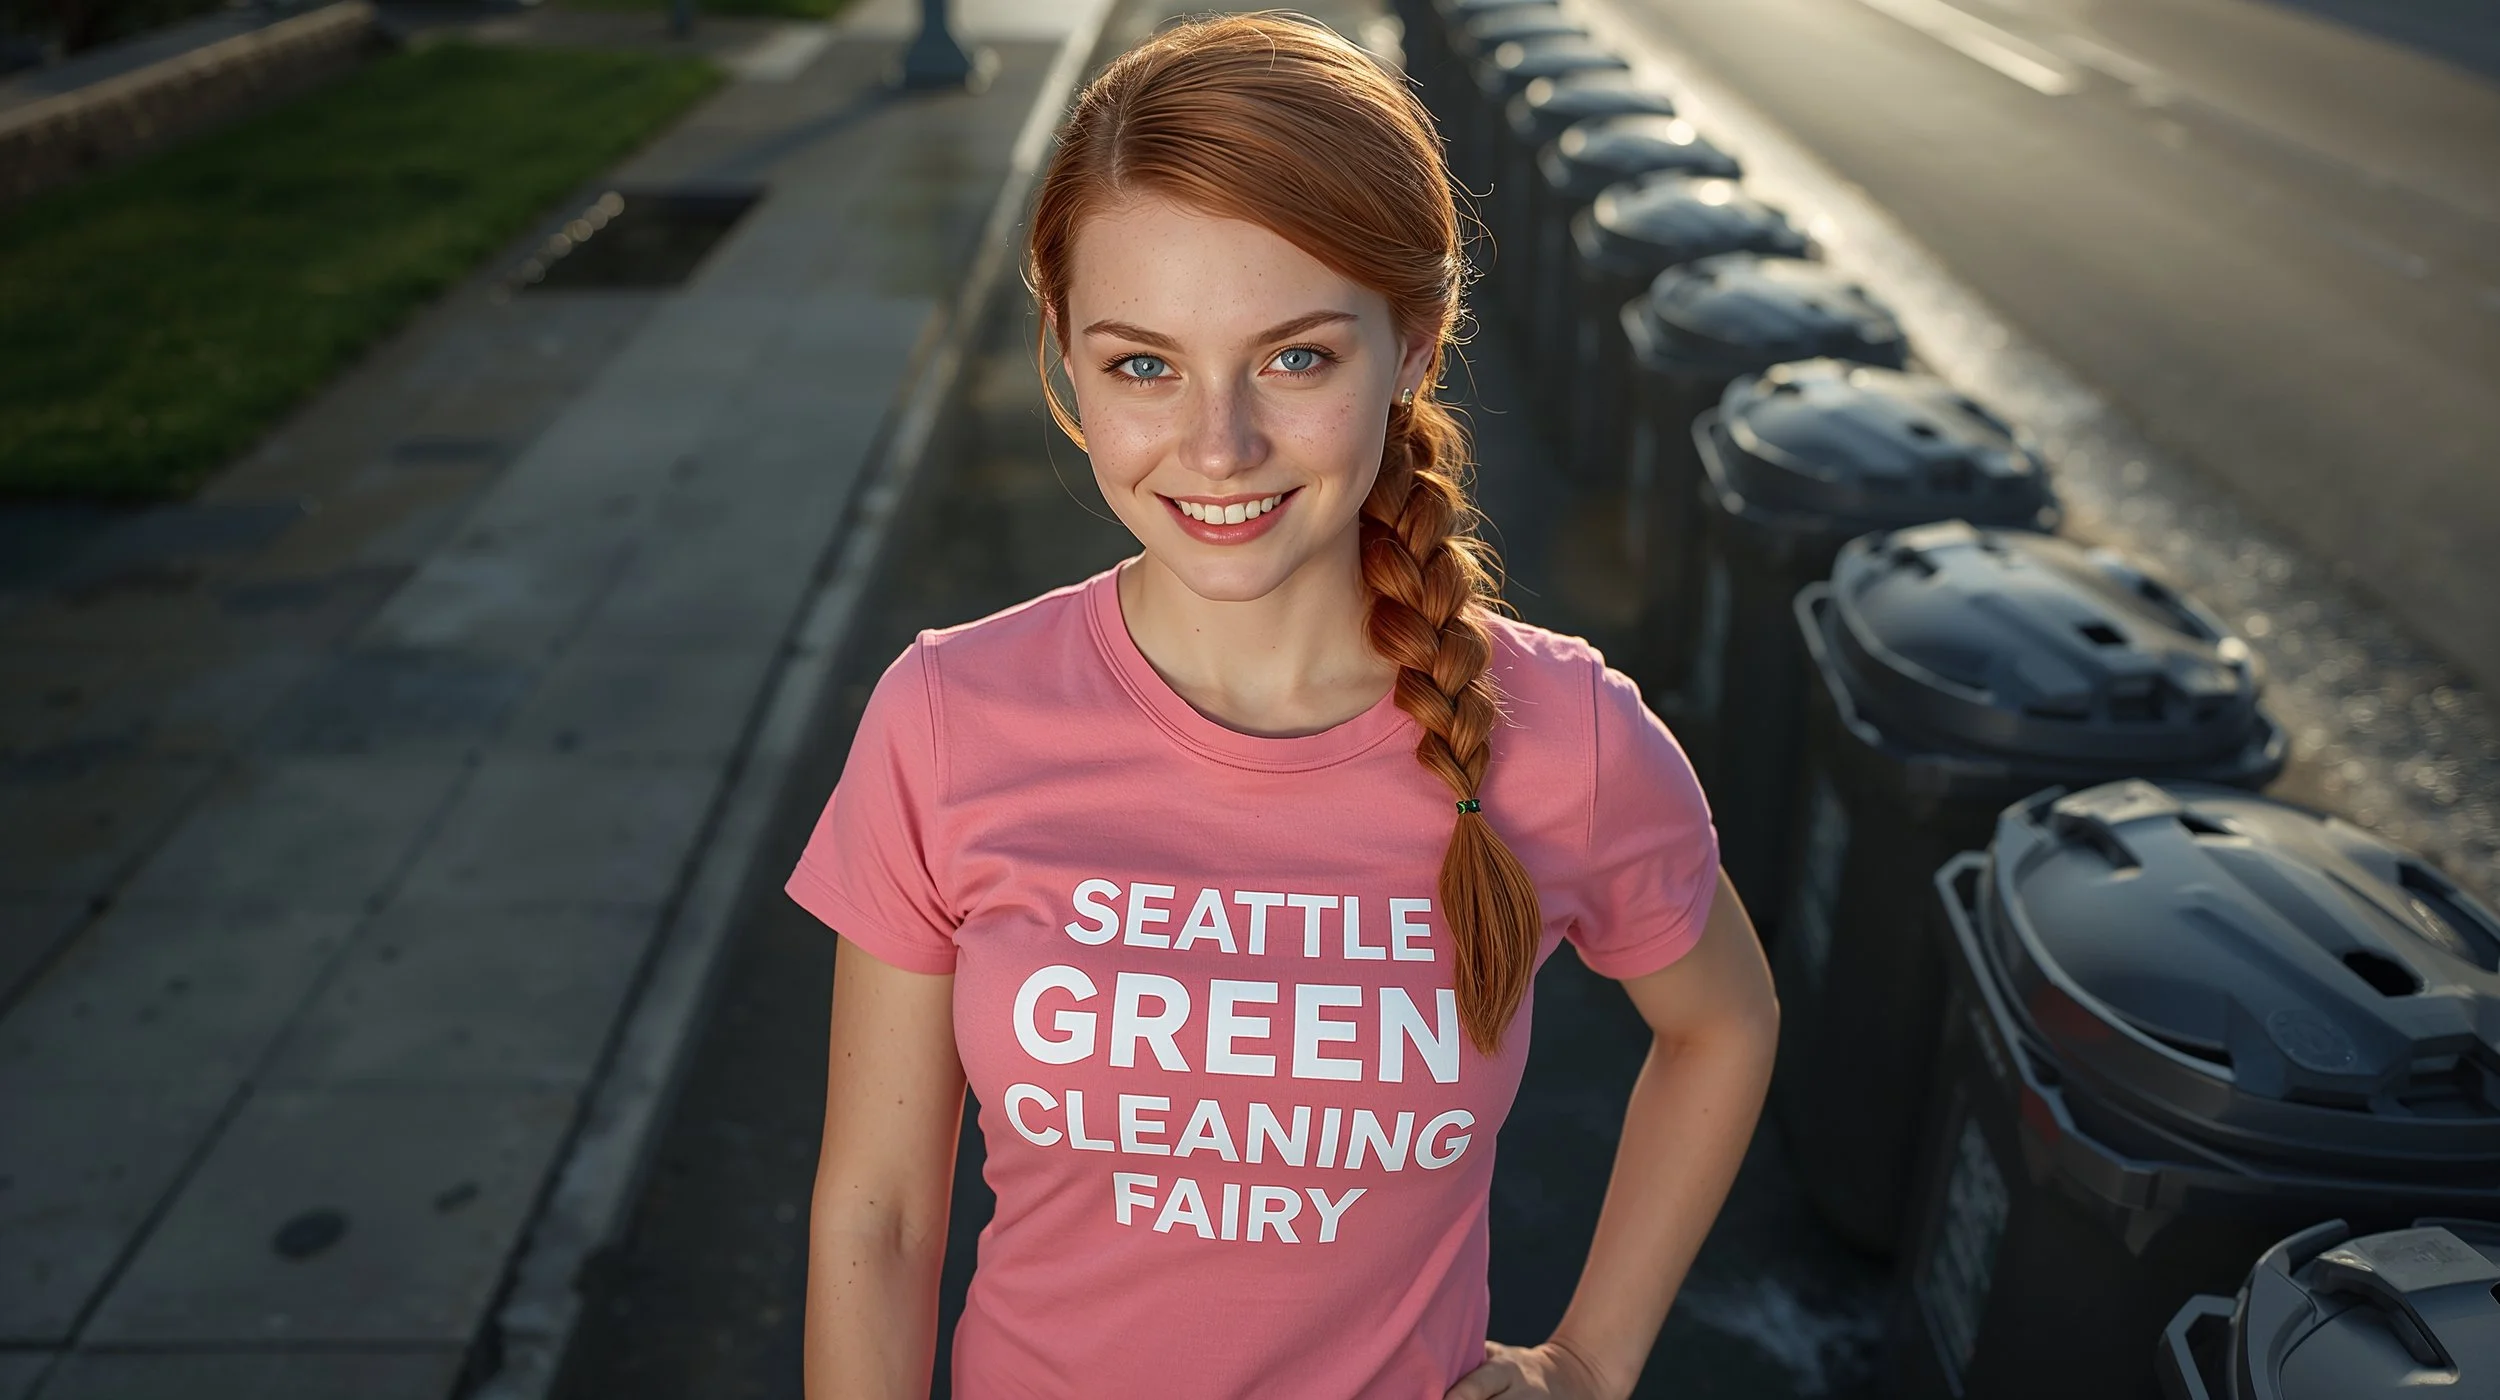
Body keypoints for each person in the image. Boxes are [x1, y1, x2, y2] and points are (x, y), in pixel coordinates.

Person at [787, 14, 1778, 1399]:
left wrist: (1588, 1363)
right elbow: (881, 1217)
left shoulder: (1566, 738)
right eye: (1143, 365)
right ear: (1066, 354)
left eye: (1296, 357)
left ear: (1413, 345)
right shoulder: (949, 719)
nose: (1219, 447)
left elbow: (1723, 1024)